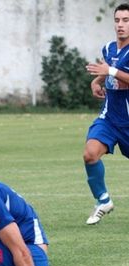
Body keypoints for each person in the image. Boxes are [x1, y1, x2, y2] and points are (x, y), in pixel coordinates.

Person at [83, 3, 129, 225]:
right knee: (90, 154)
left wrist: (109, 71)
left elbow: (113, 71)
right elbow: (107, 70)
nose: (120, 25)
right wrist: (96, 81)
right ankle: (103, 200)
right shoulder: (109, 48)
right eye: (118, 20)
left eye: (126, 21)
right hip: (109, 117)